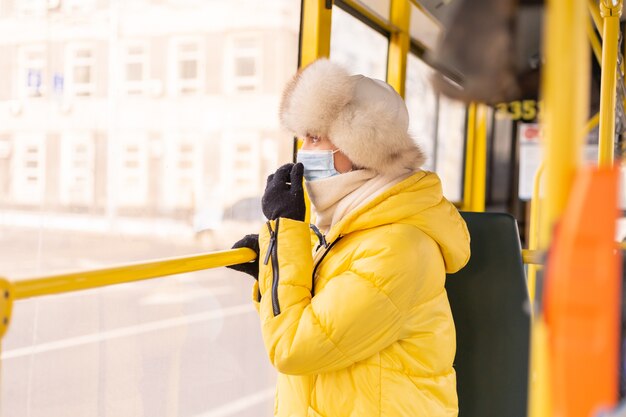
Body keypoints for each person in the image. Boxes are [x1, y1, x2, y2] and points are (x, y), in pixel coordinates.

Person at [228, 59, 470, 417]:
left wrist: (285, 231)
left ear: (359, 146)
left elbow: (295, 348)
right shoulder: (348, 227)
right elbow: (317, 320)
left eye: (314, 137)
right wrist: (272, 274)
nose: (304, 151)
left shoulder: (398, 247)